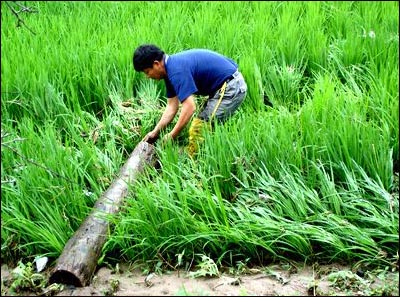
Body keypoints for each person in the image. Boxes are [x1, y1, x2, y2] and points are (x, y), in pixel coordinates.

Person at [132, 44, 247, 156]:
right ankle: (206, 152)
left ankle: (194, 163)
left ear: (156, 64)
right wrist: (155, 133)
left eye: (147, 72)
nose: (148, 76)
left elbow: (190, 107)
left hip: (230, 87)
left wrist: (172, 135)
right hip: (223, 86)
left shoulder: (176, 71)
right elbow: (171, 107)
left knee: (199, 128)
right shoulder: (170, 69)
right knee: (206, 126)